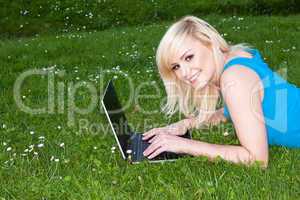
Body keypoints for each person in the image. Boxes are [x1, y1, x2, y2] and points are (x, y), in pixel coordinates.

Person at [142, 15, 300, 167]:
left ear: (210, 43)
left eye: (189, 57)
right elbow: (233, 110)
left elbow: (257, 159)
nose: (184, 73)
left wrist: (185, 145)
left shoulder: (235, 77)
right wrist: (187, 123)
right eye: (176, 66)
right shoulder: (235, 58)